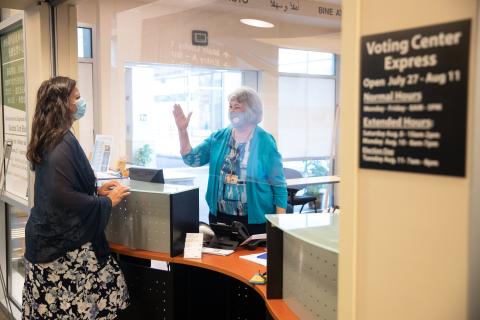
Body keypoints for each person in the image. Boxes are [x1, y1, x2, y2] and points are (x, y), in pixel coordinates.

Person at [23, 76, 131, 319]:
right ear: (63, 104)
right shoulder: (60, 143)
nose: (81, 103)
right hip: (64, 253)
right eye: (77, 98)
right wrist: (105, 202)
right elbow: (60, 195)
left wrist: (95, 192)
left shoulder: (52, 137)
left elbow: (62, 186)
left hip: (47, 246)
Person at [173, 86, 287, 235]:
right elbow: (191, 159)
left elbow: (278, 183)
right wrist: (182, 131)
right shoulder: (219, 137)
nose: (232, 111)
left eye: (237, 107)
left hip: (254, 220)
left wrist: (277, 224)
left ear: (251, 111)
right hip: (220, 217)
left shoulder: (265, 141)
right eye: (230, 107)